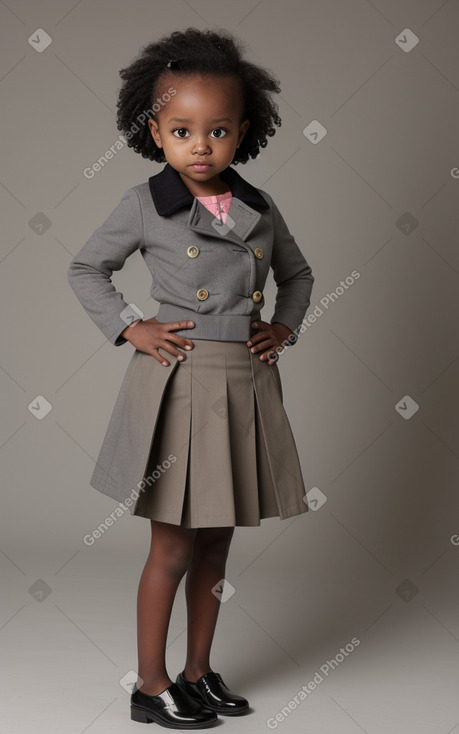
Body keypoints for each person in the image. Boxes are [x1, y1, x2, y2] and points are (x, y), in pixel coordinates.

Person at [67, 26, 314, 730]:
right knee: (172, 543)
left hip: (243, 381)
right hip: (178, 382)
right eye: (181, 129)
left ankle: (197, 672)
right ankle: (150, 684)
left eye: (217, 130)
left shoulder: (258, 206)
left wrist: (285, 327)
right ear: (155, 131)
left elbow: (297, 275)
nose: (200, 145)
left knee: (217, 539)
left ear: (245, 133)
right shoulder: (145, 204)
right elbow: (86, 267)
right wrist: (129, 326)